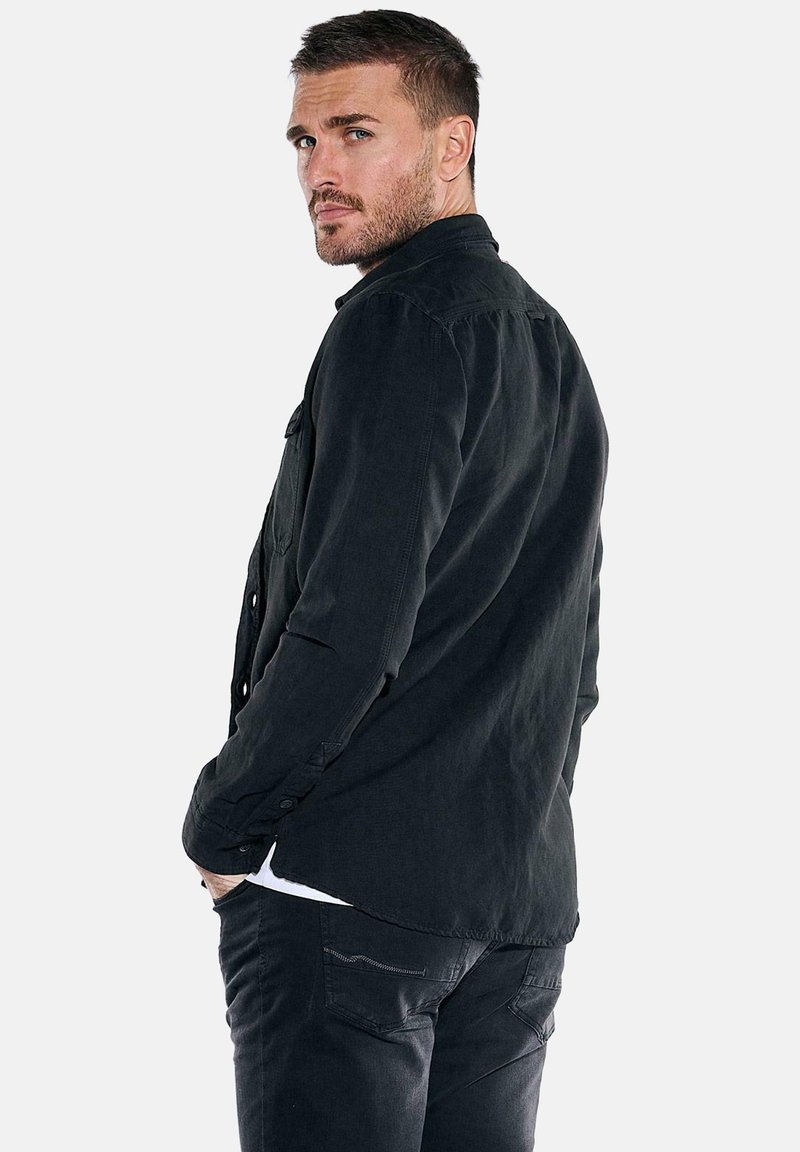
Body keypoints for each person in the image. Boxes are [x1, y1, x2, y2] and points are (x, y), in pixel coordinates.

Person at [182, 10, 609, 1151]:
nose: (319, 169)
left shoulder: (397, 323)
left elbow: (347, 623)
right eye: (303, 140)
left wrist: (223, 824)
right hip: (514, 912)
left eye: (356, 132)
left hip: (349, 902)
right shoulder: (549, 342)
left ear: (452, 144)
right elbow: (572, 663)